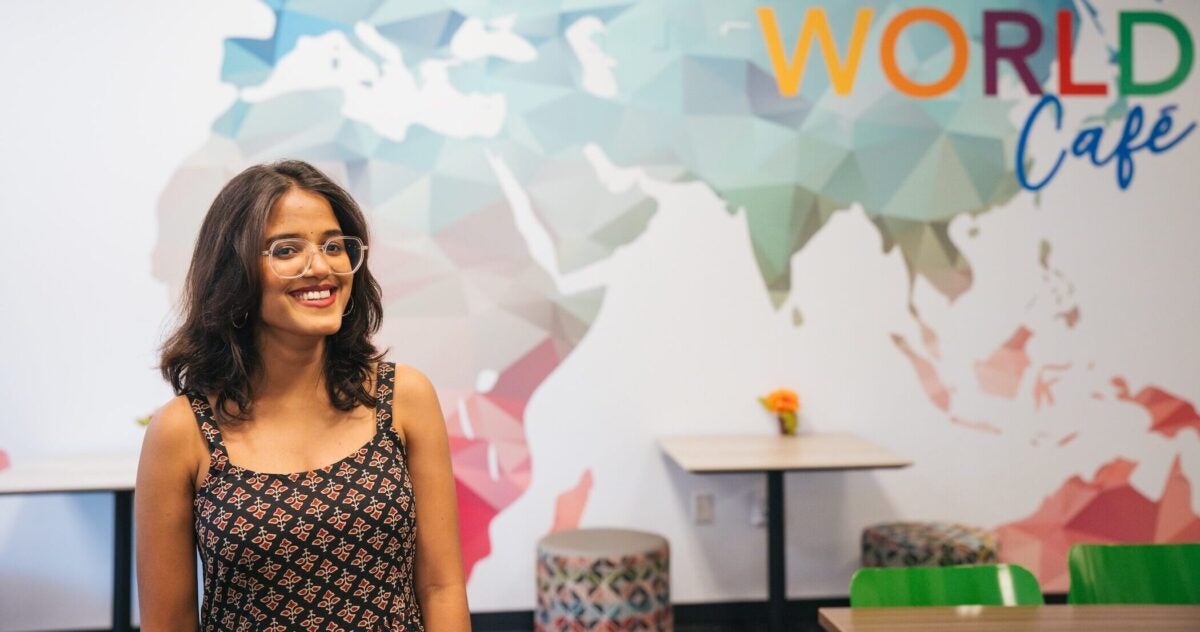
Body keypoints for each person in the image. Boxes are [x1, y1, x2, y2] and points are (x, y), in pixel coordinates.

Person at [136, 160, 470, 631]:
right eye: (286, 250)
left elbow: (441, 589)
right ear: (234, 272)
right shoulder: (183, 431)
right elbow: (168, 624)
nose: (321, 267)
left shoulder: (404, 397)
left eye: (334, 246)